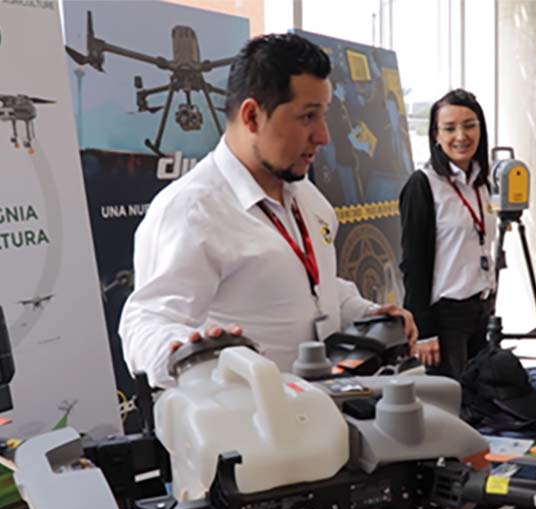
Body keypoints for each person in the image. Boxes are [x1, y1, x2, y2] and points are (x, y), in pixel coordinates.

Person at [119, 33, 416, 388]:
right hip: (246, 418)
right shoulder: (190, 211)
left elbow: (316, 286)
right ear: (252, 116)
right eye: (308, 116)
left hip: (322, 406)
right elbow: (145, 323)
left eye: (323, 115)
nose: (324, 136)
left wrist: (365, 312)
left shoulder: (309, 198)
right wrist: (187, 352)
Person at [399, 89, 495, 380]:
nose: (461, 136)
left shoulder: (482, 182)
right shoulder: (423, 184)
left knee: (481, 395)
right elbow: (413, 263)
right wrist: (424, 330)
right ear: (436, 135)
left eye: (469, 125)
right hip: (445, 317)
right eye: (450, 128)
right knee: (452, 398)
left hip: (481, 308)